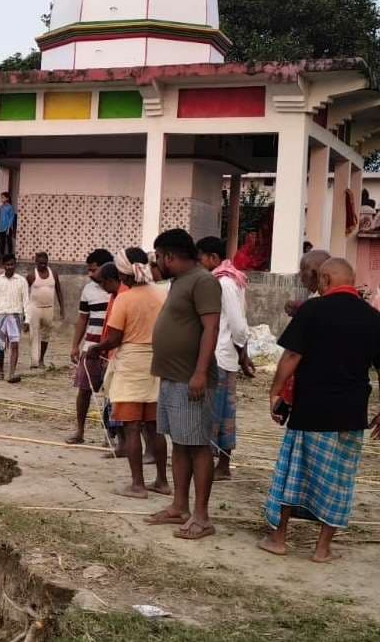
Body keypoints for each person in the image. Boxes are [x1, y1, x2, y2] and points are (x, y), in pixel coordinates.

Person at [258, 257, 380, 563]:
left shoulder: (312, 310)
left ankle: (279, 539)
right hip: (351, 413)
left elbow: (292, 355)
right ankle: (322, 548)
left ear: (325, 280)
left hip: (310, 409)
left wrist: (275, 391)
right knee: (339, 480)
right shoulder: (375, 319)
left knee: (294, 474)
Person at [148, 229, 223, 540]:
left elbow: (211, 328)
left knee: (197, 445)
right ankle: (179, 506)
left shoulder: (203, 281)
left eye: (158, 257)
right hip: (172, 376)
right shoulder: (180, 281)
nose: (156, 263)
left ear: (169, 256)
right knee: (179, 442)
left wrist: (200, 372)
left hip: (191, 379)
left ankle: (201, 516)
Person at [86, 248, 168, 497]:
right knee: (154, 427)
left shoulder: (125, 299)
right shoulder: (162, 293)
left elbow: (114, 338)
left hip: (131, 365)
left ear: (123, 274)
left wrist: (95, 349)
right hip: (156, 363)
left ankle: (137, 484)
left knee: (132, 427)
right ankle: (162, 481)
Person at [197, 236, 253, 481]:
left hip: (220, 354)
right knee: (222, 411)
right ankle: (219, 464)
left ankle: (219, 464)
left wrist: (242, 353)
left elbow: (238, 324)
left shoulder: (225, 283)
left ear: (213, 258)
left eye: (201, 258)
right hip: (224, 354)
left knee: (217, 412)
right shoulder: (226, 279)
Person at [67, 249, 115, 445]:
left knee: (111, 394)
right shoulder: (88, 290)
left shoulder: (119, 290)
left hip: (112, 349)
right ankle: (80, 430)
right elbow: (82, 319)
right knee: (84, 390)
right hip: (91, 347)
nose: (90, 274)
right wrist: (75, 345)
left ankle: (110, 435)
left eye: (93, 270)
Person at [0, 254, 31, 383]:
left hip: (15, 316)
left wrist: (27, 320)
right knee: (0, 345)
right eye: (7, 264)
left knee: (14, 344)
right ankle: (1, 371)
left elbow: (26, 301)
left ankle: (12, 373)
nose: (10, 267)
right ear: (3, 265)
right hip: (1, 316)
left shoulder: (21, 281)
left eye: (12, 264)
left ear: (15, 265)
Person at [26, 251, 65, 368]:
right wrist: (25, 312)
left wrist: (62, 308)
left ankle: (41, 359)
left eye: (45, 263)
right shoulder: (31, 275)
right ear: (36, 262)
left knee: (46, 335)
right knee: (33, 335)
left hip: (49, 309)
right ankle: (34, 362)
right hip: (34, 309)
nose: (43, 265)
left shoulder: (54, 274)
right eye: (40, 263)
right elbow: (24, 294)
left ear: (47, 262)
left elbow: (59, 291)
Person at [0, 192, 17, 259]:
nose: (1, 199)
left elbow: (11, 217)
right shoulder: (1, 207)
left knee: (9, 242)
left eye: (3, 197)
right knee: (2, 242)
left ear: (7, 198)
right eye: (1, 197)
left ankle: (10, 257)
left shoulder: (10, 207)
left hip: (7, 228)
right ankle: (2, 257)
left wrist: (9, 227)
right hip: (1, 228)